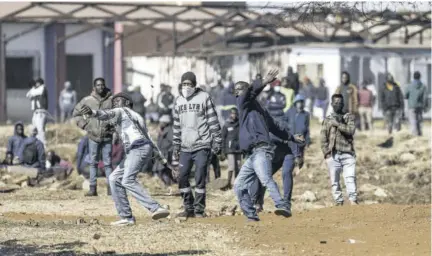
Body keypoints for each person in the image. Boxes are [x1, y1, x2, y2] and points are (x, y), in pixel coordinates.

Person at [78, 92, 171, 225]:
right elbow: (150, 141)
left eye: (118, 101)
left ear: (127, 103)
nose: (115, 104)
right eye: (113, 102)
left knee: (127, 180)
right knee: (114, 178)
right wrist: (164, 162)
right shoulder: (136, 118)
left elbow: (106, 114)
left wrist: (92, 112)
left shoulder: (122, 110)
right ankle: (126, 217)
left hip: (137, 148)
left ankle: (156, 208)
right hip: (139, 148)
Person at [233, 69, 304, 221]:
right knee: (238, 185)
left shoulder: (257, 108)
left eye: (239, 90)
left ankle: (282, 205)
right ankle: (251, 215)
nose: (237, 94)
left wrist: (291, 138)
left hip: (261, 149)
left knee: (265, 178)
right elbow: (275, 128)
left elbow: (276, 128)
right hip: (251, 155)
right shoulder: (244, 106)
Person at [172, 71, 222, 219]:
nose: (186, 87)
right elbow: (176, 125)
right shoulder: (178, 101)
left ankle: (199, 209)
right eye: (184, 84)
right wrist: (176, 145)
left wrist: (217, 140)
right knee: (182, 177)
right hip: (185, 146)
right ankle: (189, 207)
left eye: (189, 84)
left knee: (200, 177)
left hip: (202, 144)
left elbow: (213, 120)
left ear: (194, 85)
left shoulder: (204, 97)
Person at [250, 94, 310, 214]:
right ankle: (257, 202)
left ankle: (286, 204)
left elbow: (292, 139)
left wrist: (297, 155)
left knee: (286, 173)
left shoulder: (284, 122)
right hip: (274, 154)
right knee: (263, 176)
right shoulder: (262, 124)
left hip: (288, 152)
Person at [73, 77, 114, 197]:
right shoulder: (87, 100)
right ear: (94, 87)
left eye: (102, 85)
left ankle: (111, 189)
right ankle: (93, 188)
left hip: (107, 136)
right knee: (93, 163)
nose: (100, 87)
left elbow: (118, 115)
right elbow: (76, 113)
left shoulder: (111, 100)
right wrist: (84, 125)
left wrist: (114, 128)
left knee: (108, 163)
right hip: (93, 136)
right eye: (98, 85)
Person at [321, 94, 358, 206]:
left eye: (340, 103)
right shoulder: (328, 120)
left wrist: (337, 124)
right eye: (335, 103)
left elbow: (351, 130)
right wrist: (326, 153)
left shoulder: (348, 117)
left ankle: (353, 201)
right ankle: (338, 202)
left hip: (348, 154)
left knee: (350, 178)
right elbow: (323, 138)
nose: (338, 105)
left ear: (343, 104)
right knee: (335, 181)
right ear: (332, 104)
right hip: (333, 154)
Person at [153, 115, 176, 187]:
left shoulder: (169, 131)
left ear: (166, 123)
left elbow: (173, 143)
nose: (160, 123)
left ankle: (168, 185)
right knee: (163, 170)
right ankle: (170, 184)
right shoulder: (162, 130)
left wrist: (170, 151)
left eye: (162, 122)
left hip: (166, 153)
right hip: (160, 153)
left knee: (162, 170)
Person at [220, 107, 241, 188]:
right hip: (230, 149)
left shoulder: (240, 124)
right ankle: (228, 183)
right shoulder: (226, 125)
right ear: (230, 114)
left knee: (238, 166)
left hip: (239, 148)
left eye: (235, 113)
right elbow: (223, 138)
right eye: (232, 113)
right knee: (231, 166)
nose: (234, 115)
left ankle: (237, 184)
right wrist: (223, 151)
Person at [26, 78, 48, 147]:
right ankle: (36, 144)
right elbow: (28, 95)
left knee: (40, 129)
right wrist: (33, 88)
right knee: (34, 129)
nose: (36, 84)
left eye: (37, 83)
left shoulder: (43, 88)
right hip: (35, 112)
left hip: (41, 112)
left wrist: (33, 88)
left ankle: (43, 145)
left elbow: (36, 92)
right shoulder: (35, 90)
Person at [405, 71, 428, 136]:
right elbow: (425, 97)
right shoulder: (423, 86)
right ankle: (420, 134)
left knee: (413, 121)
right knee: (419, 121)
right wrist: (425, 106)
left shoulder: (409, 86)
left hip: (411, 106)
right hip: (420, 106)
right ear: (420, 77)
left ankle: (414, 136)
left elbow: (405, 95)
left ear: (413, 77)